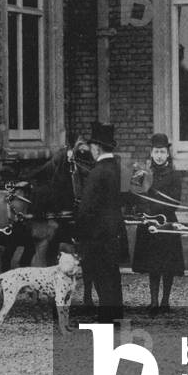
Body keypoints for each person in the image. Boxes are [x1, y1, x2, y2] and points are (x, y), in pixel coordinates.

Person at [74, 121, 124, 324]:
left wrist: (78, 233)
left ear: (96, 148)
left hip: (97, 236)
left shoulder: (97, 172)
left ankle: (106, 320)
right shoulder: (115, 167)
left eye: (92, 147)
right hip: (113, 233)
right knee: (113, 276)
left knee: (102, 278)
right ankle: (116, 316)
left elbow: (86, 207)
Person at [131, 133, 184, 316]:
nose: (159, 156)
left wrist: (155, 209)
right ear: (151, 153)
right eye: (156, 152)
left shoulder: (175, 175)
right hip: (149, 223)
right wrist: (145, 212)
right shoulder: (144, 173)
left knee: (168, 265)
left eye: (162, 152)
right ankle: (153, 301)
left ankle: (165, 301)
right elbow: (138, 196)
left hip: (167, 222)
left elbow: (175, 201)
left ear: (167, 154)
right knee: (153, 264)